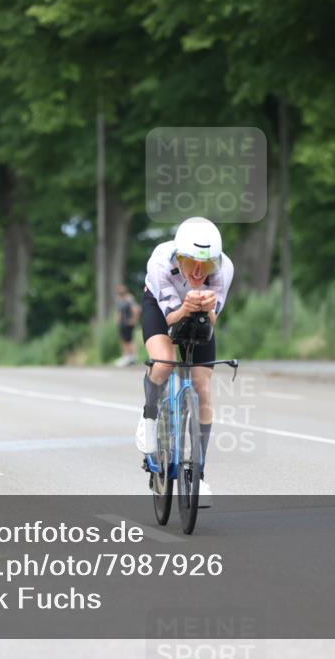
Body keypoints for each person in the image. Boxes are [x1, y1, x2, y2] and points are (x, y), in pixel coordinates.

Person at [135, 217, 234, 507]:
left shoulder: (224, 268)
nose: (199, 272)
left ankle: (198, 476)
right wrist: (186, 306)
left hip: (197, 313)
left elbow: (214, 318)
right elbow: (169, 318)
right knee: (164, 363)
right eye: (191, 265)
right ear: (179, 258)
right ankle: (150, 416)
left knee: (203, 389)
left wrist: (204, 308)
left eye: (207, 266)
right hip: (161, 307)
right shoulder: (159, 262)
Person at [114, 285, 139, 367]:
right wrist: (117, 320)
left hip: (128, 322)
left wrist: (133, 320)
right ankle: (126, 356)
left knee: (129, 340)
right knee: (123, 339)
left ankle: (133, 357)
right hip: (122, 323)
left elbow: (135, 310)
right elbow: (119, 311)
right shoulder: (118, 299)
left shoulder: (129, 299)